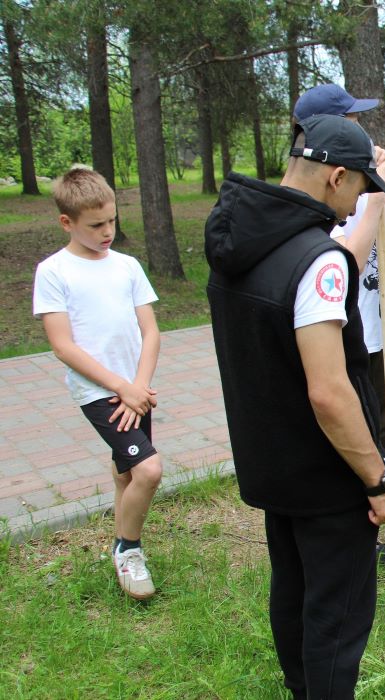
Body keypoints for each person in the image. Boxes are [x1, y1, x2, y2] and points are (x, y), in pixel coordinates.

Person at [205, 114, 385, 697]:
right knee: (336, 617)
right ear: (335, 177)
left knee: (291, 593)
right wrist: (378, 479)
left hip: (271, 462)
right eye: (360, 189)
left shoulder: (238, 239)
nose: (357, 205)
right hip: (326, 474)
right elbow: (329, 390)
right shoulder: (318, 260)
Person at [33, 166, 163, 601]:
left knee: (128, 470)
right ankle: (127, 549)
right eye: (96, 225)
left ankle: (123, 534)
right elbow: (63, 346)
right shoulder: (53, 272)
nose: (107, 231)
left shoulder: (127, 266)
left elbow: (151, 332)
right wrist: (120, 387)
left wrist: (139, 386)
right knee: (148, 469)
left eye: (111, 221)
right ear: (67, 222)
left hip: (135, 390)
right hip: (98, 391)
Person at [294, 84, 385, 451]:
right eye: (353, 123)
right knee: (350, 436)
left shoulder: (362, 185)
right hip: (338, 338)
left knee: (382, 431)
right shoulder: (319, 196)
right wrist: (373, 201)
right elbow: (346, 268)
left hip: (372, 333)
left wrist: (381, 186)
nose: (363, 132)